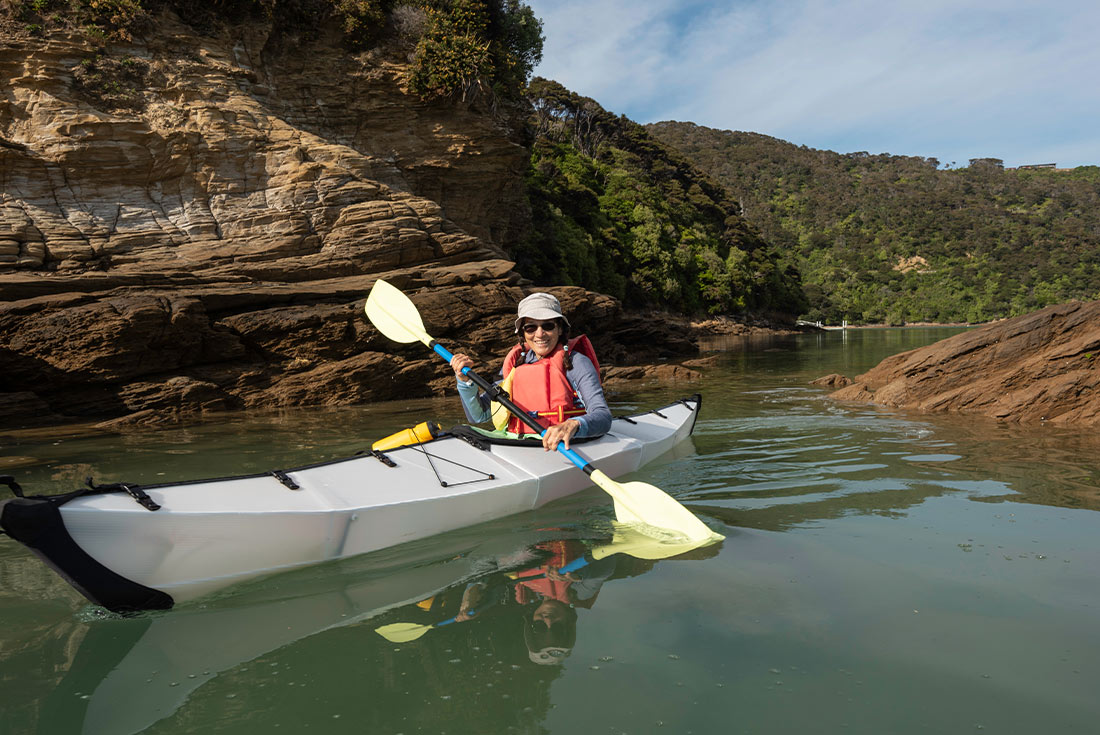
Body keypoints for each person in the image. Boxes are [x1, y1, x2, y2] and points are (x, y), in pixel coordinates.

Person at [449, 292, 612, 451]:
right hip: (516, 443)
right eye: (531, 327)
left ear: (560, 329)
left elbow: (603, 416)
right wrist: (465, 381)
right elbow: (479, 415)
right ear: (522, 333)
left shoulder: (576, 362)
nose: (539, 334)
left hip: (560, 445)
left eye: (548, 326)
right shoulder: (516, 364)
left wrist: (573, 424)